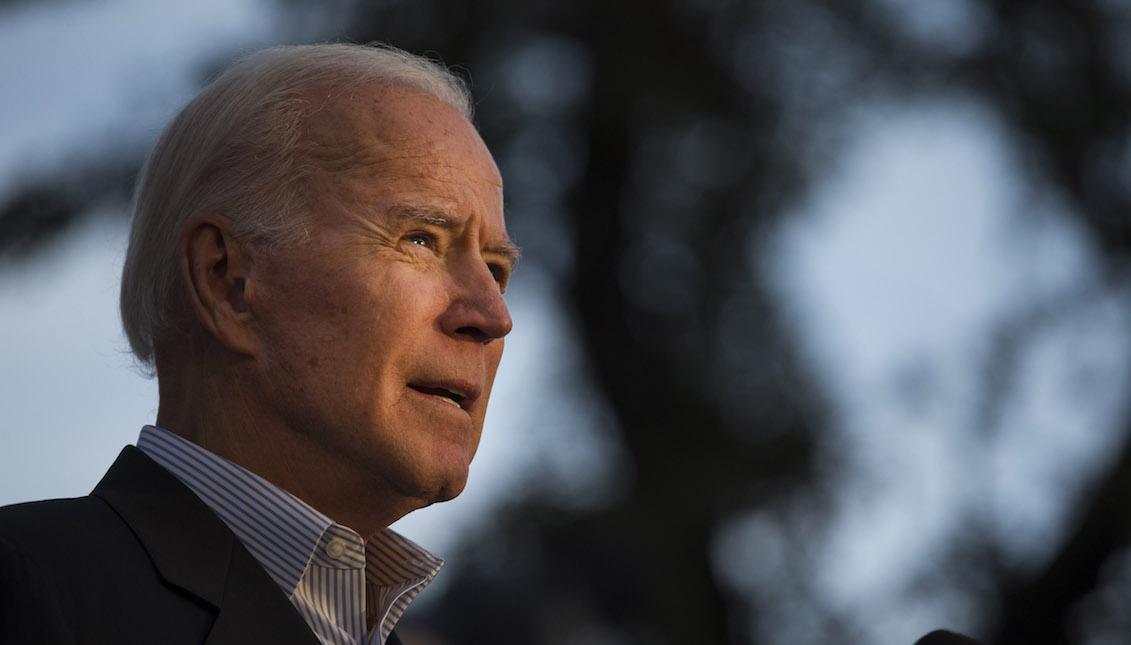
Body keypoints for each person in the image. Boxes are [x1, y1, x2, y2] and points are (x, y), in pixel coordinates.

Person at [0, 42, 518, 645]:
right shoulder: (26, 592)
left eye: (497, 268)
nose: (492, 315)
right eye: (422, 240)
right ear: (228, 281)